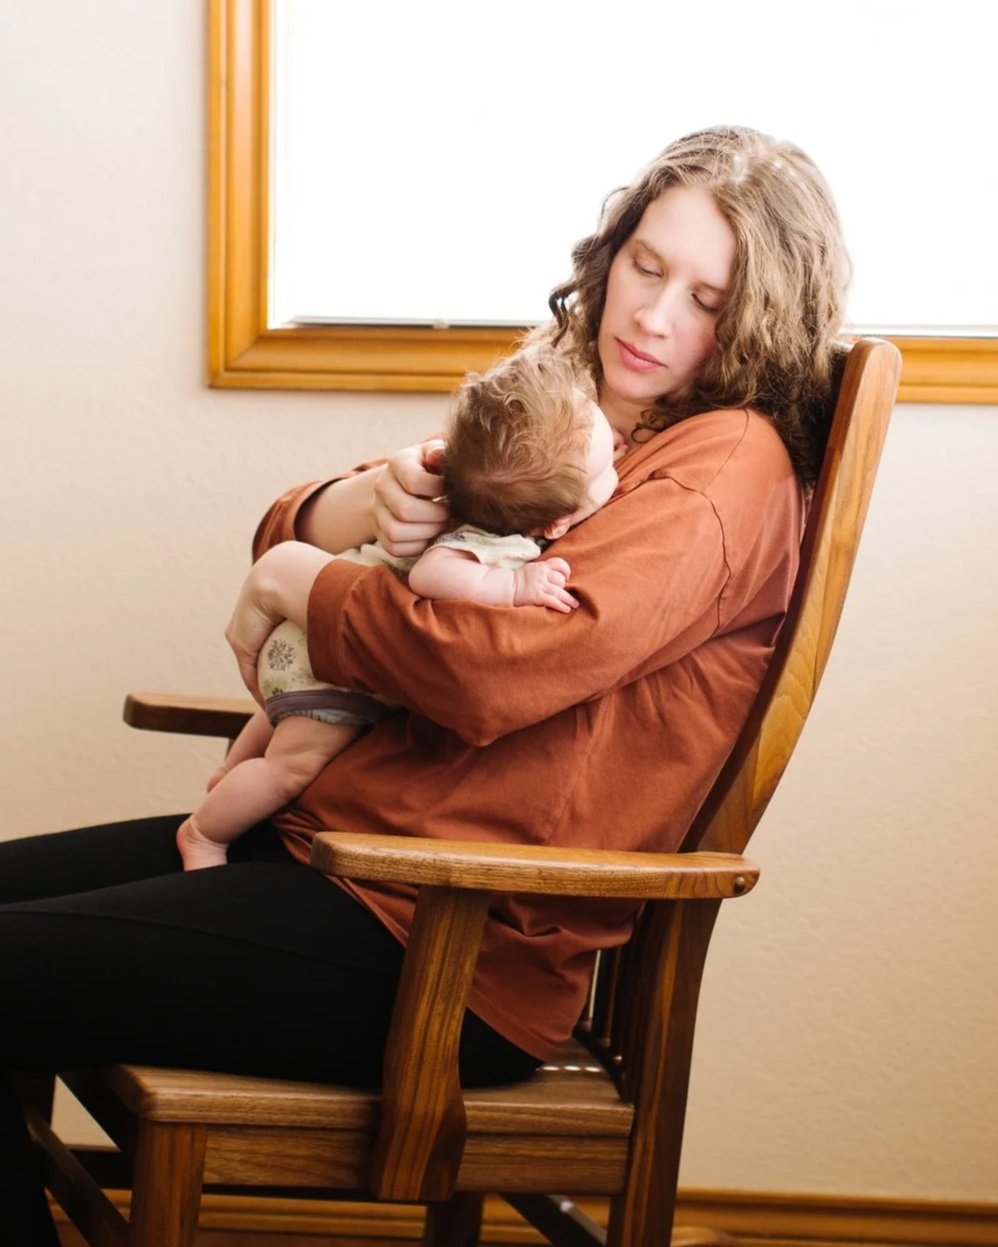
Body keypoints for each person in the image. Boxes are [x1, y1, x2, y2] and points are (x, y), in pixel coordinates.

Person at [0, 125, 848, 1243]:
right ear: (611, 253)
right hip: (329, 853)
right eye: (645, 266)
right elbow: (308, 534)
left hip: (431, 939)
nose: (651, 316)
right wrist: (350, 511)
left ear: (755, 322)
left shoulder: (716, 469)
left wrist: (301, 580)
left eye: (704, 296)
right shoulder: (578, 410)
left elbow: (484, 674)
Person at [177, 347, 622, 869]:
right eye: (608, 461)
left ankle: (227, 778)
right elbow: (437, 573)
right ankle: (206, 832)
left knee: (276, 719)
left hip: (302, 639)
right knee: (290, 767)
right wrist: (512, 588)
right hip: (328, 672)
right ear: (557, 524)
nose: (618, 445)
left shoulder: (468, 489)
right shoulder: (496, 546)